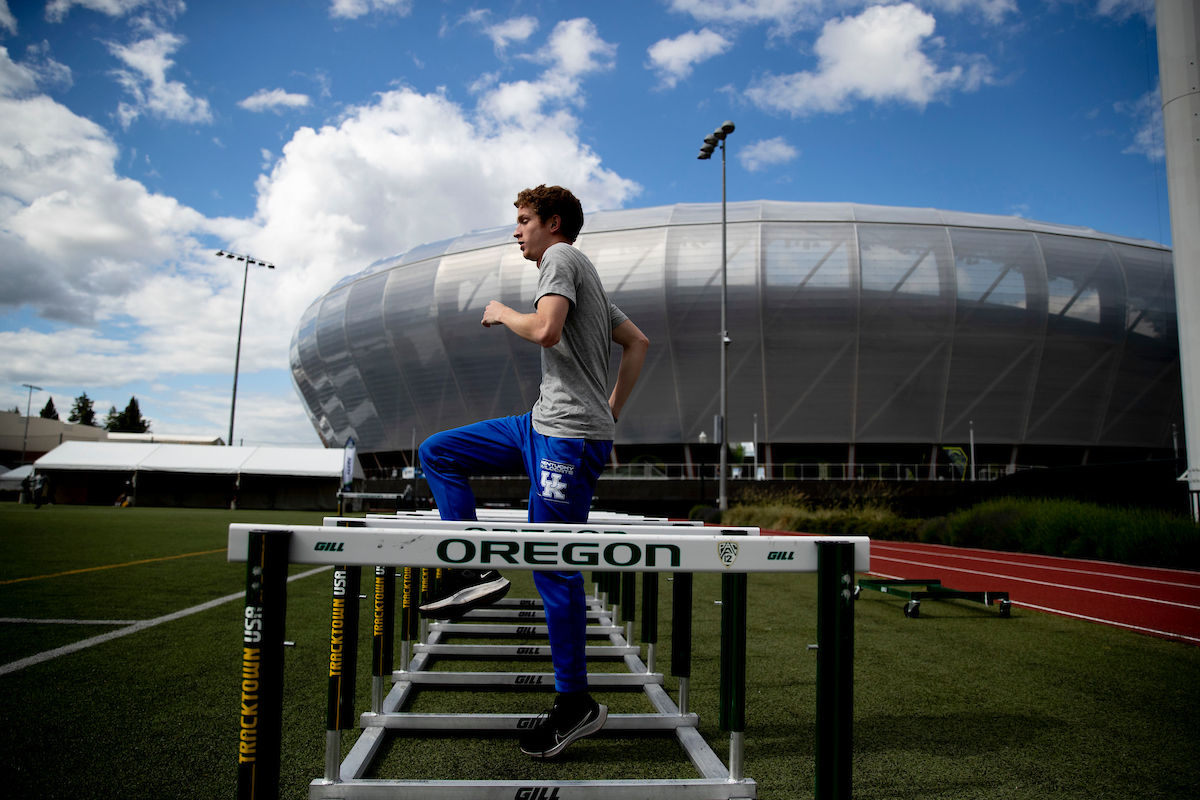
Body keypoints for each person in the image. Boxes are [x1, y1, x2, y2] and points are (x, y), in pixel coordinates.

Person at [417, 184, 649, 760]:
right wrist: (611, 410)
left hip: (567, 440)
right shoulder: (584, 274)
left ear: (553, 222)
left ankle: (576, 705)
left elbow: (545, 330)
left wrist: (502, 312)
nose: (516, 230)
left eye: (523, 220)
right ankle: (472, 570)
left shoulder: (562, 260)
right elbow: (637, 342)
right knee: (438, 451)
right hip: (539, 425)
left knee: (553, 566)